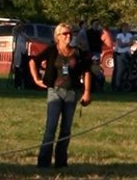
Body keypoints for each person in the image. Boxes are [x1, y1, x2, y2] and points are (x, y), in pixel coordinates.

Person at [29, 22, 91, 171]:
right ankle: (43, 162)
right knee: (51, 127)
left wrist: (87, 91)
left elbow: (87, 71)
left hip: (72, 92)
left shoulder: (77, 52)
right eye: (65, 34)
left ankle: (61, 162)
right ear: (58, 37)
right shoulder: (51, 50)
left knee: (66, 129)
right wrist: (37, 79)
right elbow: (33, 61)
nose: (68, 36)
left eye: (70, 33)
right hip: (55, 91)